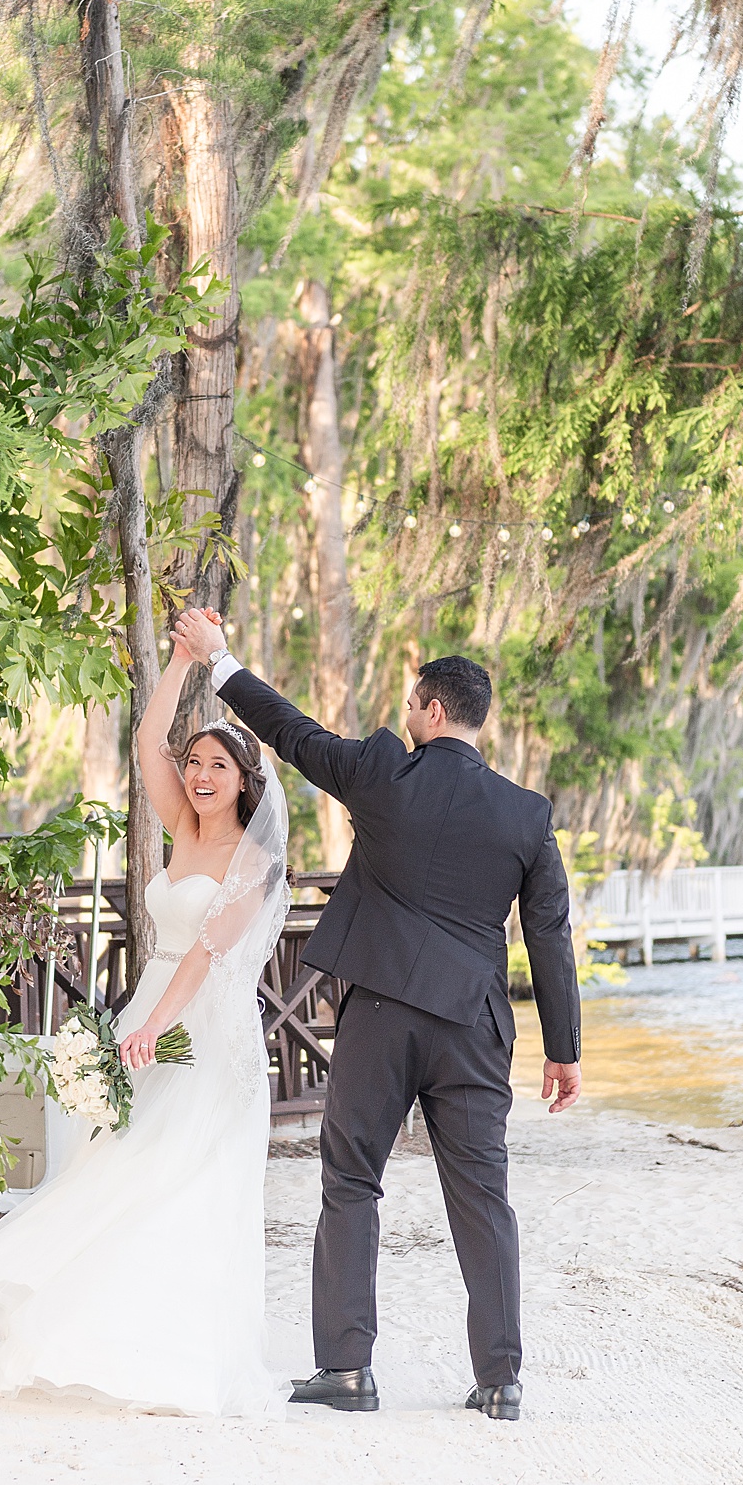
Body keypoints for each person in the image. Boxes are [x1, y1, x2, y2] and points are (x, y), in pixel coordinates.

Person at [178, 608, 581, 1422]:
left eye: (409, 704)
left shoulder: (382, 772)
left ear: (432, 710)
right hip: (473, 1026)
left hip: (382, 1016)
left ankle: (349, 1369)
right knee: (483, 1197)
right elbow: (550, 935)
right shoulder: (527, 814)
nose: (404, 715)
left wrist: (219, 662)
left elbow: (291, 732)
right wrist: (563, 1049)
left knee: (352, 1177)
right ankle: (501, 1379)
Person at [0, 616, 291, 1417]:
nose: (201, 776)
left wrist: (145, 1026)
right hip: (150, 1016)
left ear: (246, 781)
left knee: (182, 1181)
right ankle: (86, 1324)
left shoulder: (255, 861)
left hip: (204, 1037)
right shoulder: (180, 829)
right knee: (117, 1166)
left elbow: (205, 953)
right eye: (195, 763)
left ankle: (176, 1352)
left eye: (218, 766)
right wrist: (176, 660)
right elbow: (144, 745)